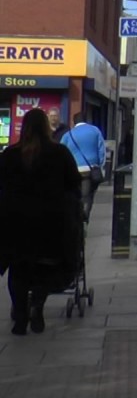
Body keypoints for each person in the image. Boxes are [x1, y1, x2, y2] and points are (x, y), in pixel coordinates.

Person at [0, 109, 82, 335]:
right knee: (43, 269)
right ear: (46, 127)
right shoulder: (59, 153)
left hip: (14, 223)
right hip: (49, 222)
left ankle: (19, 315)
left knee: (18, 270)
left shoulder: (9, 155)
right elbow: (74, 182)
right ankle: (36, 305)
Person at [61, 113, 106, 221]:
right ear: (87, 120)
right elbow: (101, 150)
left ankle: (74, 216)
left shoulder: (68, 134)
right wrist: (100, 165)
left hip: (74, 170)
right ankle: (85, 217)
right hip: (91, 169)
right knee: (88, 196)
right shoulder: (95, 131)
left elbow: (62, 152)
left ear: (73, 122)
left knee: (75, 195)